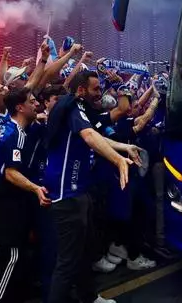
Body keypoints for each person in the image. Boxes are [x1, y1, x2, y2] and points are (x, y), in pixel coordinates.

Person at [44, 70, 140, 303]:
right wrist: (117, 160)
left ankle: (90, 297)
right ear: (81, 90)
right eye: (95, 89)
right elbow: (88, 135)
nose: (99, 93)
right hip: (65, 197)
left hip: (79, 193)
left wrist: (122, 148)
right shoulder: (73, 107)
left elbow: (95, 135)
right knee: (67, 264)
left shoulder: (79, 108)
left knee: (85, 254)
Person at [0, 87, 49, 302]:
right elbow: (11, 173)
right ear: (20, 107)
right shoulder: (15, 134)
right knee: (11, 256)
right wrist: (35, 188)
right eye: (32, 102)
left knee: (17, 255)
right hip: (8, 201)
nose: (37, 105)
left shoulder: (9, 128)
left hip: (7, 199)